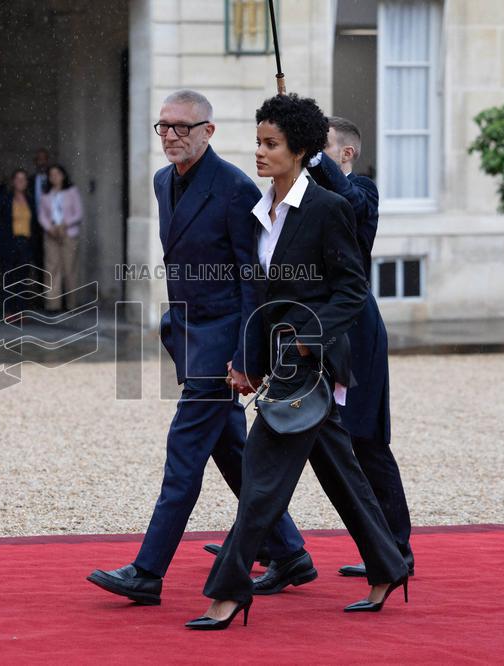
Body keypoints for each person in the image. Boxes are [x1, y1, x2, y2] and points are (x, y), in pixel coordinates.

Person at [187, 94, 408, 630]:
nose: (259, 153)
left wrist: (308, 342)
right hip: (282, 364)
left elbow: (353, 290)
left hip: (312, 365)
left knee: (261, 478)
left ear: (301, 150)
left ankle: (229, 590)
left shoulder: (330, 209)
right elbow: (262, 298)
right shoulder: (260, 214)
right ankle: (388, 565)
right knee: (342, 474)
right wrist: (249, 360)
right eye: (258, 142)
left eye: (271, 144)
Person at [87, 90, 311, 607]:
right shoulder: (163, 181)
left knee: (184, 455)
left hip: (222, 346)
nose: (170, 136)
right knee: (232, 454)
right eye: (163, 127)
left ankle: (147, 571)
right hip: (188, 336)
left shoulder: (235, 189)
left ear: (208, 132)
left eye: (182, 127)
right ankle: (290, 551)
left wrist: (246, 355)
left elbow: (250, 282)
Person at [307, 117, 414, 578]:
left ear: (345, 154)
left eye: (323, 146)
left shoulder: (362, 191)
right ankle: (272, 545)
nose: (314, 153)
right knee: (297, 436)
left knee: (365, 442)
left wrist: (312, 156)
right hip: (313, 326)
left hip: (356, 329)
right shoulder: (306, 193)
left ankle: (395, 550)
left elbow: (350, 207)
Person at [0, 169, 36, 316]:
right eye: (18, 179)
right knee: (8, 276)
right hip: (8, 241)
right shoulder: (4, 199)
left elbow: (34, 223)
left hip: (25, 242)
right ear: (13, 181)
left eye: (23, 179)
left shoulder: (30, 200)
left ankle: (20, 310)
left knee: (23, 278)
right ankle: (8, 310)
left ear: (26, 183)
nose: (21, 182)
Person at [37, 164, 82, 312]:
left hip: (68, 233)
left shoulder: (72, 191)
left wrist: (65, 224)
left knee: (69, 269)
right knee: (51, 269)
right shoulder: (45, 194)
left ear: (63, 175)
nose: (54, 177)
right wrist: (49, 228)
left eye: (57, 174)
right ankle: (52, 304)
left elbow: (78, 213)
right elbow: (41, 215)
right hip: (51, 234)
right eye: (51, 174)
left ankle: (71, 304)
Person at [29, 148, 50, 272]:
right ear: (35, 162)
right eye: (38, 160)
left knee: (51, 258)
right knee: (37, 258)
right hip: (35, 224)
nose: (41, 162)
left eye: (43, 159)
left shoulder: (54, 179)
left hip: (51, 225)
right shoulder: (30, 181)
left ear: (48, 161)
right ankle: (41, 288)